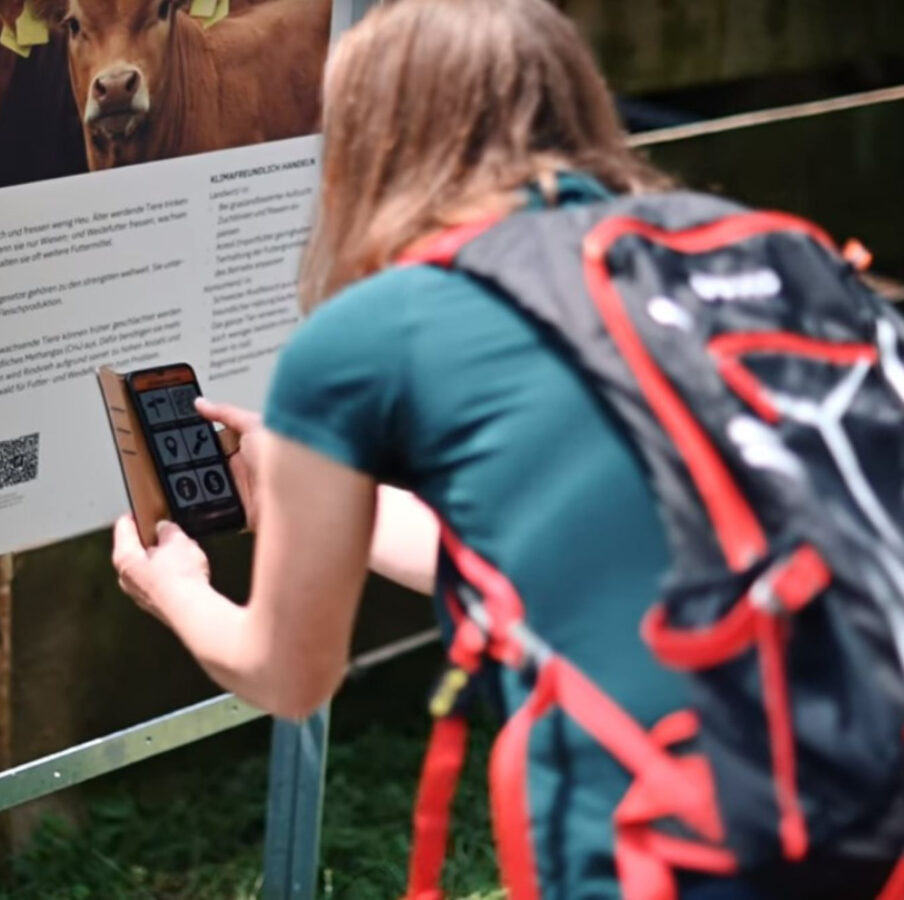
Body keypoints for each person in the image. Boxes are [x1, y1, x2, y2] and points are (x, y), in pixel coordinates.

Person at [111, 1, 896, 897]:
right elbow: (554, 547)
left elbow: (287, 673)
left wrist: (177, 591)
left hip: (680, 844)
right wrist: (328, 507)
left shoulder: (368, 329)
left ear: (371, 137)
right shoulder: (731, 249)